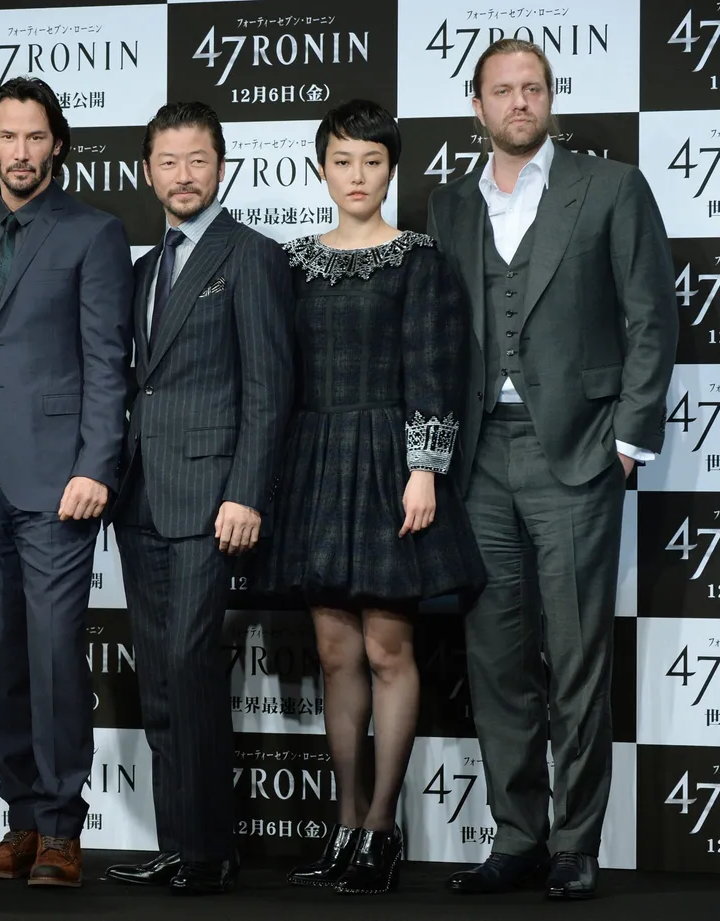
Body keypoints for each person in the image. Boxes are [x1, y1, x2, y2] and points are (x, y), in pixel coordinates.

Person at [427, 40, 677, 900]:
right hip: (477, 456)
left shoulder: (610, 188)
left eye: (532, 87)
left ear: (551, 96)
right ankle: (517, 836)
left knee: (575, 657)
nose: (519, 102)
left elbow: (652, 315)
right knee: (495, 660)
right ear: (478, 105)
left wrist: (628, 437)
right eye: (503, 90)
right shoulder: (449, 204)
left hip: (573, 451)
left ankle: (577, 839)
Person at [250, 99, 486, 896]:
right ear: (321, 168)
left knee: (389, 649)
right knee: (334, 652)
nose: (358, 176)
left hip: (391, 466)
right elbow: (275, 379)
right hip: (315, 463)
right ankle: (345, 822)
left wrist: (425, 467)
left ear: (392, 169)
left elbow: (436, 367)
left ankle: (383, 827)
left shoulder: (420, 260)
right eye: (343, 161)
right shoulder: (289, 263)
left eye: (373, 162)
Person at [0, 76, 132, 888]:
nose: (20, 152)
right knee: (3, 660)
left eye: (35, 137)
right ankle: (20, 818)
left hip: (59, 482)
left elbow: (107, 361)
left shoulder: (95, 232)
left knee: (56, 655)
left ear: (57, 144)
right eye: (6, 136)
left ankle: (61, 826)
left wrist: (96, 465)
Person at [104, 101, 293, 897]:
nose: (183, 176)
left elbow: (271, 388)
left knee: (187, 664)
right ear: (148, 171)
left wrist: (247, 490)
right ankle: (181, 842)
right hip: (142, 498)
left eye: (198, 161)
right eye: (168, 162)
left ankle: (210, 849)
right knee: (159, 677)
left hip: (212, 497)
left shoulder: (250, 256)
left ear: (223, 166)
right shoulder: (144, 270)